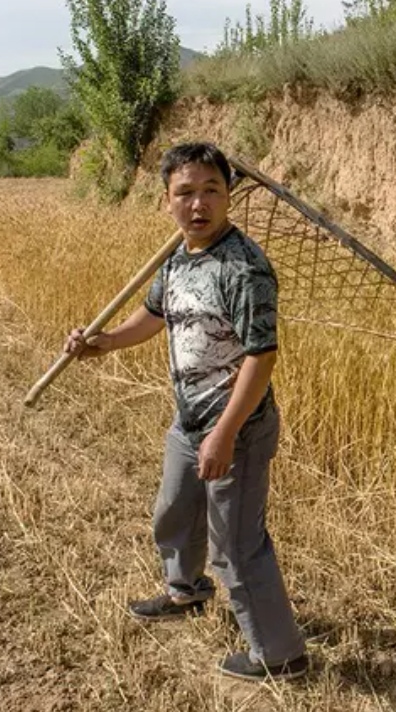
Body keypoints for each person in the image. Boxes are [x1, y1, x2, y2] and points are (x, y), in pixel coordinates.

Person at [64, 141, 308, 682]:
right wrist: (100, 343)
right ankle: (186, 592)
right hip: (189, 420)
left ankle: (280, 654)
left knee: (236, 546)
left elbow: (261, 358)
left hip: (235, 427)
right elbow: (152, 318)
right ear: (167, 199)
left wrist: (224, 435)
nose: (198, 204)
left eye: (211, 191)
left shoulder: (244, 269)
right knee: (173, 511)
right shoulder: (177, 254)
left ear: (228, 196)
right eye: (186, 193)